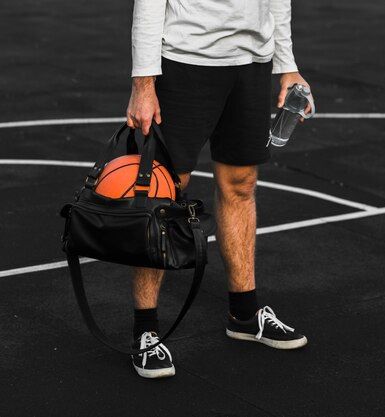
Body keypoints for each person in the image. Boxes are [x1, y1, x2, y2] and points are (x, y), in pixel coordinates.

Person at [126, 0, 313, 379]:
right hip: (185, 62)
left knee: (241, 184)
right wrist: (143, 82)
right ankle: (145, 329)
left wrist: (287, 65)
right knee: (165, 193)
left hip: (251, 64)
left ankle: (244, 315)